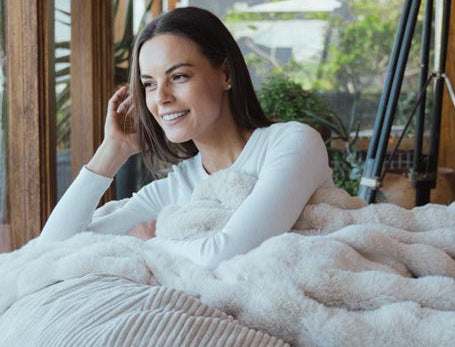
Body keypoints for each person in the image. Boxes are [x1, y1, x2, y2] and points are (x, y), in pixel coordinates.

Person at [40, 6, 332, 270]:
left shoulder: (292, 143)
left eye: (178, 76)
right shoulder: (175, 187)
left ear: (226, 74)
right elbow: (53, 249)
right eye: (149, 84)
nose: (161, 97)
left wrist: (151, 242)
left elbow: (227, 254)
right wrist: (112, 151)